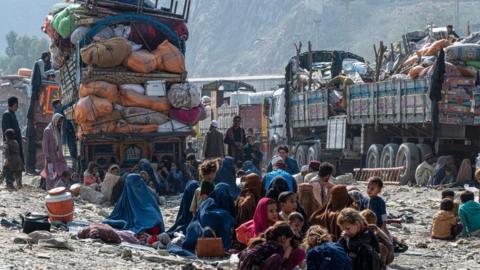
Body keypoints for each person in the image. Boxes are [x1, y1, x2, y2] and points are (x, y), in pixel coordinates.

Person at [238, 222, 306, 270]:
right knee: (277, 258)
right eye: (289, 241)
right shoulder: (278, 248)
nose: (289, 245)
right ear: (283, 238)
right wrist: (285, 257)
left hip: (243, 265)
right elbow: (277, 265)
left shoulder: (265, 244)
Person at [41, 113, 68, 190]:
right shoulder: (48, 130)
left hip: (59, 156)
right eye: (59, 122)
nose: (60, 123)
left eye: (61, 122)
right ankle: (50, 189)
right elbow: (45, 145)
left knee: (62, 170)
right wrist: (47, 156)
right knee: (51, 174)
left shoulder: (57, 130)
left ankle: (59, 187)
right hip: (51, 157)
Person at [2, 97, 24, 165]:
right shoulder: (7, 114)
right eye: (16, 105)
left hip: (15, 143)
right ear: (13, 104)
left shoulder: (12, 114)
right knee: (11, 164)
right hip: (11, 145)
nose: (17, 107)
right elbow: (6, 131)